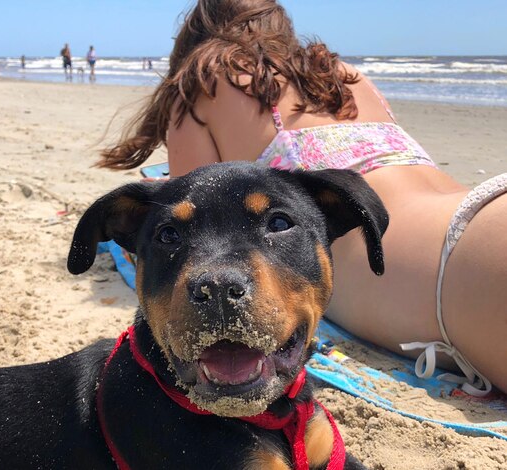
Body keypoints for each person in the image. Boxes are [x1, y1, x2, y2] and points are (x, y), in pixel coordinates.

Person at [100, 0, 507, 395]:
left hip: (450, 276)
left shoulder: (206, 78)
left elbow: (192, 210)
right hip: (481, 211)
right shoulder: (345, 75)